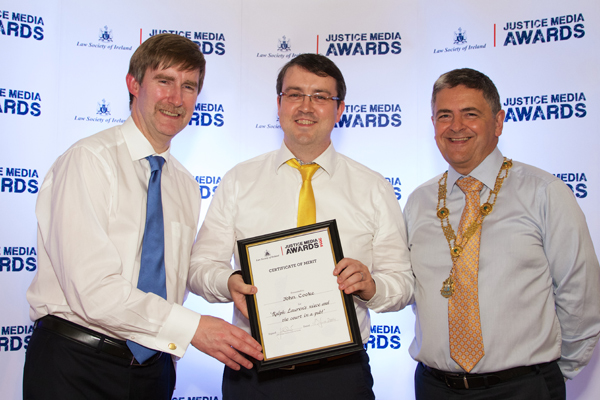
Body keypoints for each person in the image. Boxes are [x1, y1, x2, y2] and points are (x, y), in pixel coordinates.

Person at [23, 33, 262, 400]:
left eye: (189, 86)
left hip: (155, 370)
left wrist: (227, 282)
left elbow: (183, 272)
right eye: (164, 81)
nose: (176, 99)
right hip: (76, 366)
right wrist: (193, 328)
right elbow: (93, 291)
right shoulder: (89, 161)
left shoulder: (184, 184)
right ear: (134, 84)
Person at [187, 53, 413, 399]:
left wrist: (369, 286)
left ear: (340, 110)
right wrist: (229, 282)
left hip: (340, 373)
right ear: (278, 104)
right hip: (252, 368)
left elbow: (401, 283)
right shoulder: (239, 180)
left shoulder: (373, 187)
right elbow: (200, 267)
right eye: (294, 94)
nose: (306, 106)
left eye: (321, 97)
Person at [404, 68, 600, 399]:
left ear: (498, 122)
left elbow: (580, 294)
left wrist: (548, 374)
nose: (456, 126)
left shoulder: (544, 192)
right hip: (436, 388)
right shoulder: (418, 201)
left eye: (470, 114)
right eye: (444, 115)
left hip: (523, 388)